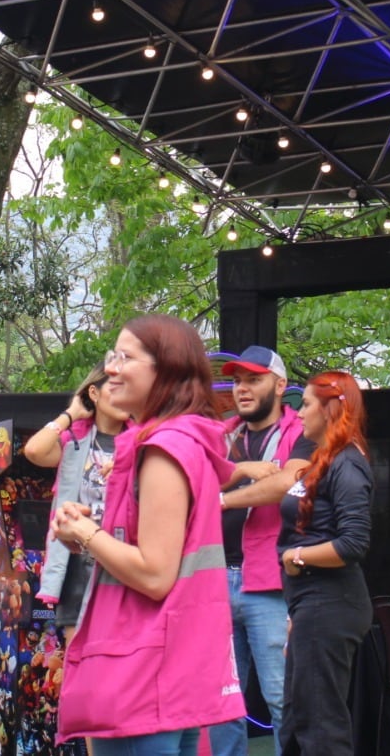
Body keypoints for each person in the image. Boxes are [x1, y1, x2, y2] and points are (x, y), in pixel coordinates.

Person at [52, 314, 244, 756]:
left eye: (126, 357)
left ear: (167, 370)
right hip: (173, 669)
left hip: (142, 674)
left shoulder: (163, 450)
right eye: (112, 356)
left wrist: (86, 532)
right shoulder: (182, 441)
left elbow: (155, 575)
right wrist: (85, 532)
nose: (111, 368)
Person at [209, 346, 312, 756]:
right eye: (237, 381)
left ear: (280, 385)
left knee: (282, 698)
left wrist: (222, 497)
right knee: (220, 704)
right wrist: (240, 471)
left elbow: (288, 483)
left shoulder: (302, 432)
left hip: (269, 583)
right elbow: (192, 480)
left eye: (254, 379)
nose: (242, 388)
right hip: (215, 580)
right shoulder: (220, 433)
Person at [277, 371, 373, 756]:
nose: (299, 413)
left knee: (320, 725)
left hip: (331, 603)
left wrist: (295, 556)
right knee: (296, 720)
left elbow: (353, 542)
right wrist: (296, 614)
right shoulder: (324, 459)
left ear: (330, 409)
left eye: (306, 405)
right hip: (310, 606)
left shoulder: (348, 463)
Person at [23, 362, 130, 644]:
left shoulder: (140, 440)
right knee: (77, 651)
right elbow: (34, 450)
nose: (125, 397)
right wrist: (70, 414)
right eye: (116, 388)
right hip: (78, 558)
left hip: (123, 556)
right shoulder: (75, 439)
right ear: (94, 392)